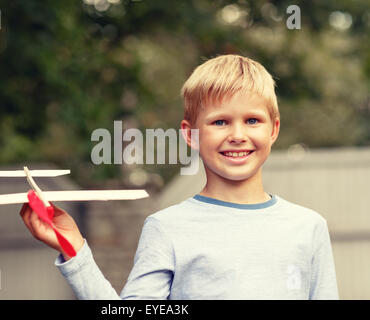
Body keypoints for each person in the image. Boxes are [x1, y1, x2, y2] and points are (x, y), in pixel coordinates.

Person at [19, 54, 339, 299]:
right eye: (220, 122)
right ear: (190, 135)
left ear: (274, 129)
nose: (238, 134)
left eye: (253, 120)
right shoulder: (167, 229)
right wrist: (76, 252)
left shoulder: (308, 228)